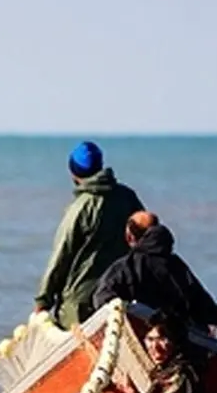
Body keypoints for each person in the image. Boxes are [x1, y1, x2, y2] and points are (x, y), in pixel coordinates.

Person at [33, 141, 145, 330]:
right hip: (120, 296)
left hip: (80, 303)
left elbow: (61, 255)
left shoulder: (79, 208)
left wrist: (43, 301)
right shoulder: (127, 197)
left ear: (73, 173)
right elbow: (146, 238)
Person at [91, 211, 217, 334]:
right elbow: (203, 308)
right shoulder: (177, 265)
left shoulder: (124, 267)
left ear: (129, 237)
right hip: (181, 339)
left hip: (142, 339)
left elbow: (101, 299)